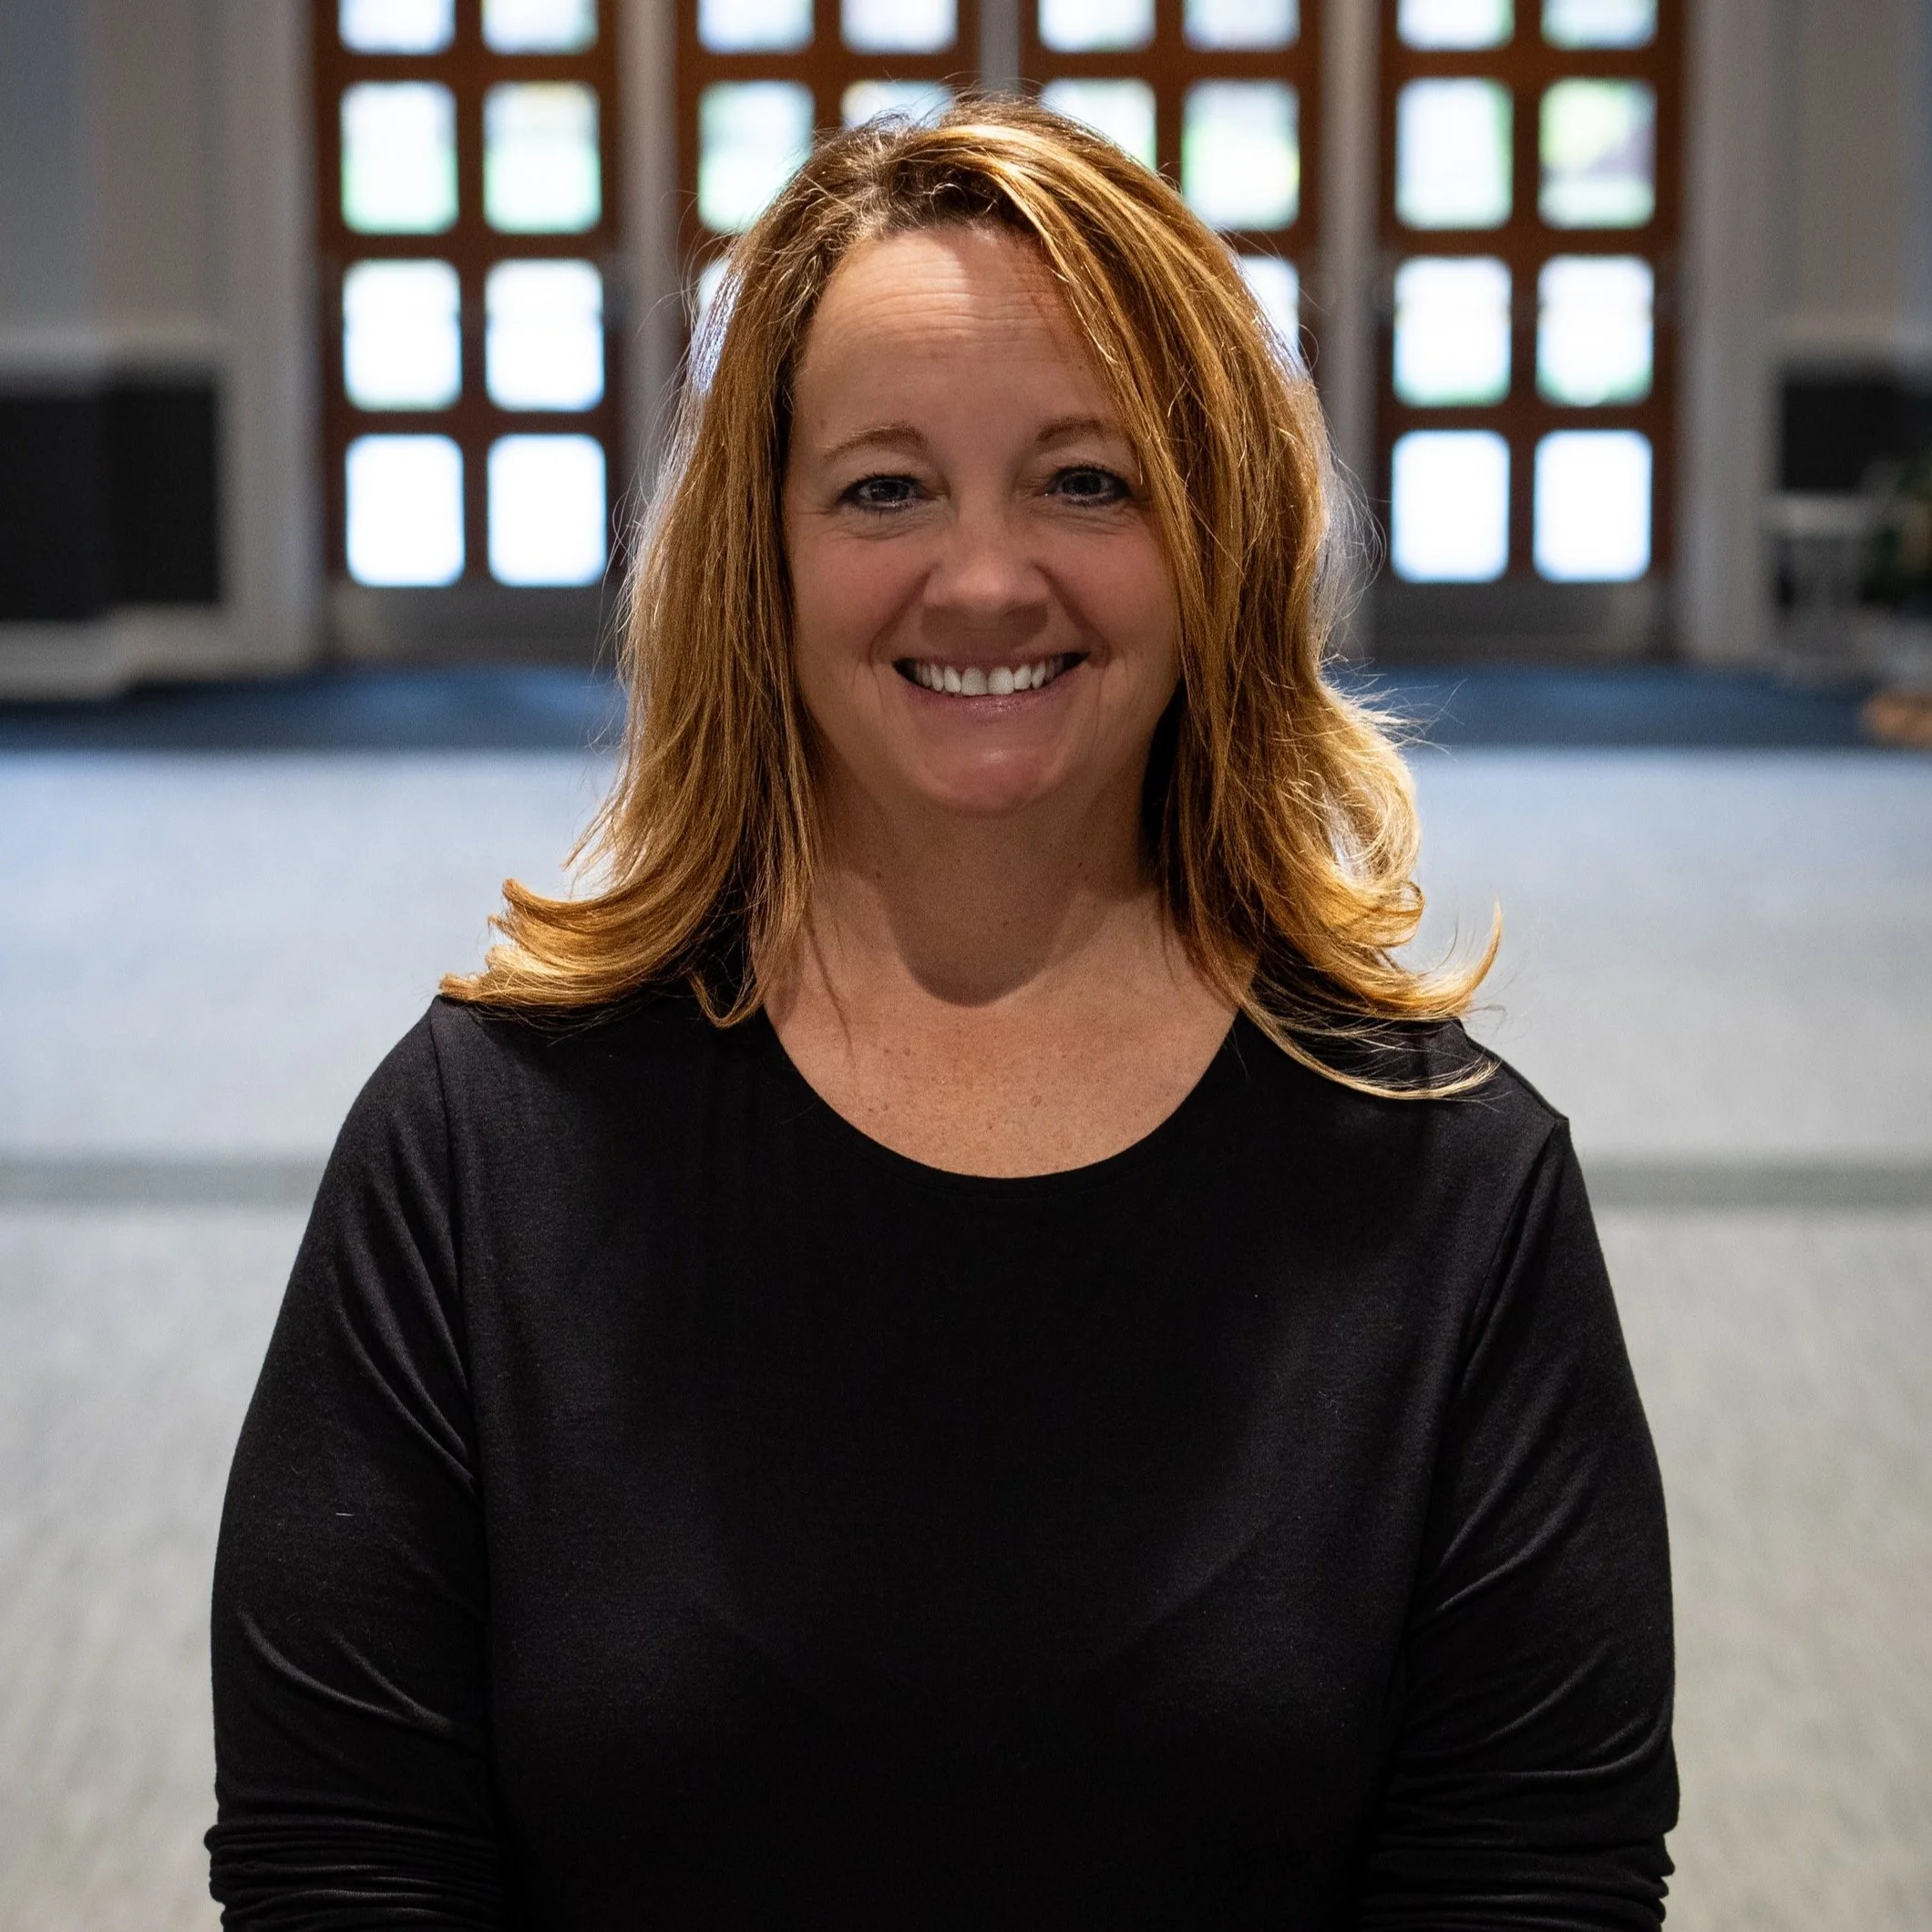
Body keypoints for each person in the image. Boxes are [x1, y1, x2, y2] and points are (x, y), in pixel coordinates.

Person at [207, 98, 1676, 1927]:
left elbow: (1529, 1881)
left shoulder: (1449, 1188)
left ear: (1215, 537)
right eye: (883, 487)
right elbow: (340, 1872)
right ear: (764, 555)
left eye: (1087, 478)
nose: (983, 579)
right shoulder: (477, 1152)